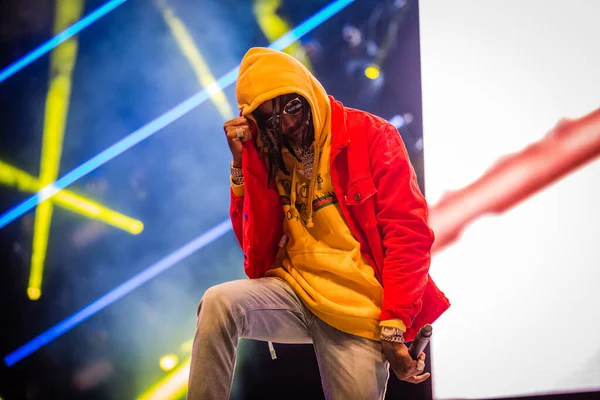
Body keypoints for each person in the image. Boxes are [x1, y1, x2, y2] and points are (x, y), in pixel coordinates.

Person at [187, 47, 450, 400]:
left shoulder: (371, 134)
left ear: (307, 90)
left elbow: (410, 236)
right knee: (218, 302)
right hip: (295, 292)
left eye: (293, 108)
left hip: (359, 310)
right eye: (273, 119)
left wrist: (393, 326)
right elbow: (253, 246)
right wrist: (242, 166)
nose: (290, 125)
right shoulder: (269, 154)